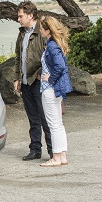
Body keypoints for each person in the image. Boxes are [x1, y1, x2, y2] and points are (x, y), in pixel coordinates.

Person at [11, 1, 52, 160]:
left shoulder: (41, 31)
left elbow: (49, 55)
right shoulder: (22, 33)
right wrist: (17, 77)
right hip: (25, 81)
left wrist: (40, 73)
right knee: (33, 118)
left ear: (30, 15)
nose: (18, 19)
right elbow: (18, 57)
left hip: (39, 81)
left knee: (44, 117)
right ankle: (35, 149)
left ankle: (52, 151)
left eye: (20, 16)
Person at [38, 15, 71, 167]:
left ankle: (56, 157)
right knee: (58, 123)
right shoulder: (55, 43)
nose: (40, 30)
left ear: (47, 30)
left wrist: (49, 79)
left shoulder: (51, 45)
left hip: (50, 89)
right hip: (55, 89)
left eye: (41, 28)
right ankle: (62, 155)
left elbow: (60, 66)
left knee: (53, 124)